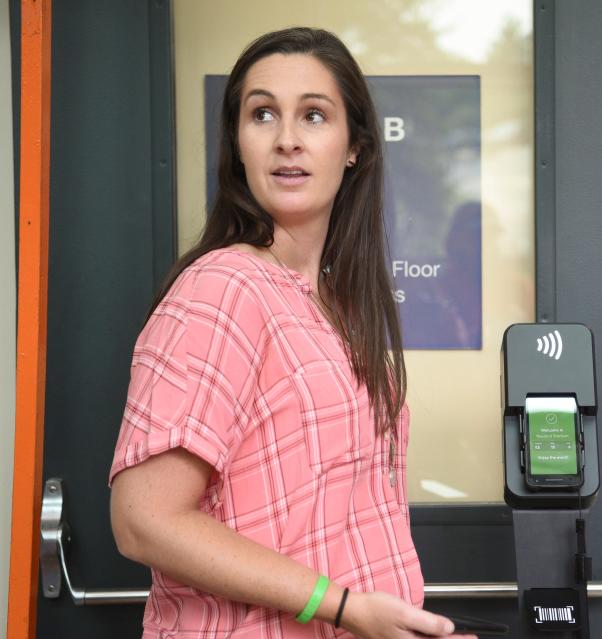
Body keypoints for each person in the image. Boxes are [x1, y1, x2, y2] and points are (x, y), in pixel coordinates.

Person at [109, 27, 474, 639]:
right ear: (239, 144)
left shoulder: (336, 304)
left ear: (354, 146)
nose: (286, 140)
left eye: (312, 115)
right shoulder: (223, 287)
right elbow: (143, 520)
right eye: (262, 115)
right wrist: (341, 606)